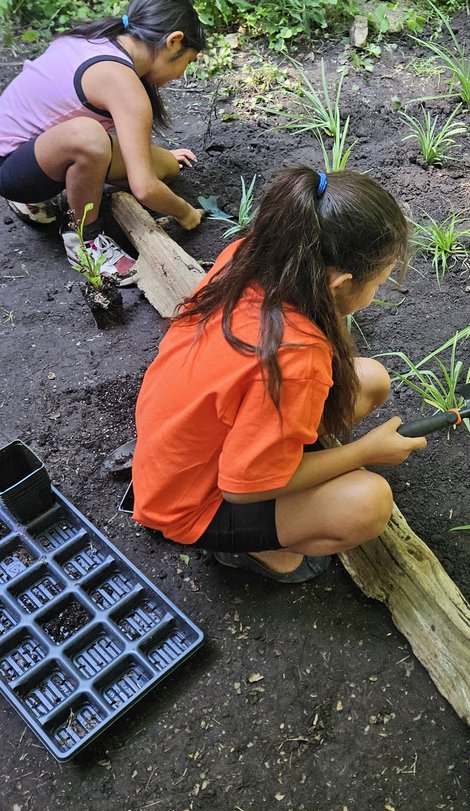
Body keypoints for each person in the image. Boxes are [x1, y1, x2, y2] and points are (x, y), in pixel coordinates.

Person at [131, 165, 426, 583]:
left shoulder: (250, 257)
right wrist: (364, 452)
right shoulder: (295, 357)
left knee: (372, 380)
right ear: (339, 283)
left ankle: (279, 463)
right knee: (368, 502)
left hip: (176, 445)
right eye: (377, 283)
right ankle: (254, 549)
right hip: (191, 500)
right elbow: (241, 488)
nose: (376, 294)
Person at [0, 0, 205, 285]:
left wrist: (153, 159)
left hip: (38, 146)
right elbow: (145, 188)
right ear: (174, 42)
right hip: (11, 167)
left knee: (167, 168)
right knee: (91, 139)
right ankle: (85, 239)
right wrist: (186, 213)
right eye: (187, 63)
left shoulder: (101, 38)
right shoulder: (121, 82)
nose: (180, 76)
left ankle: (59, 186)